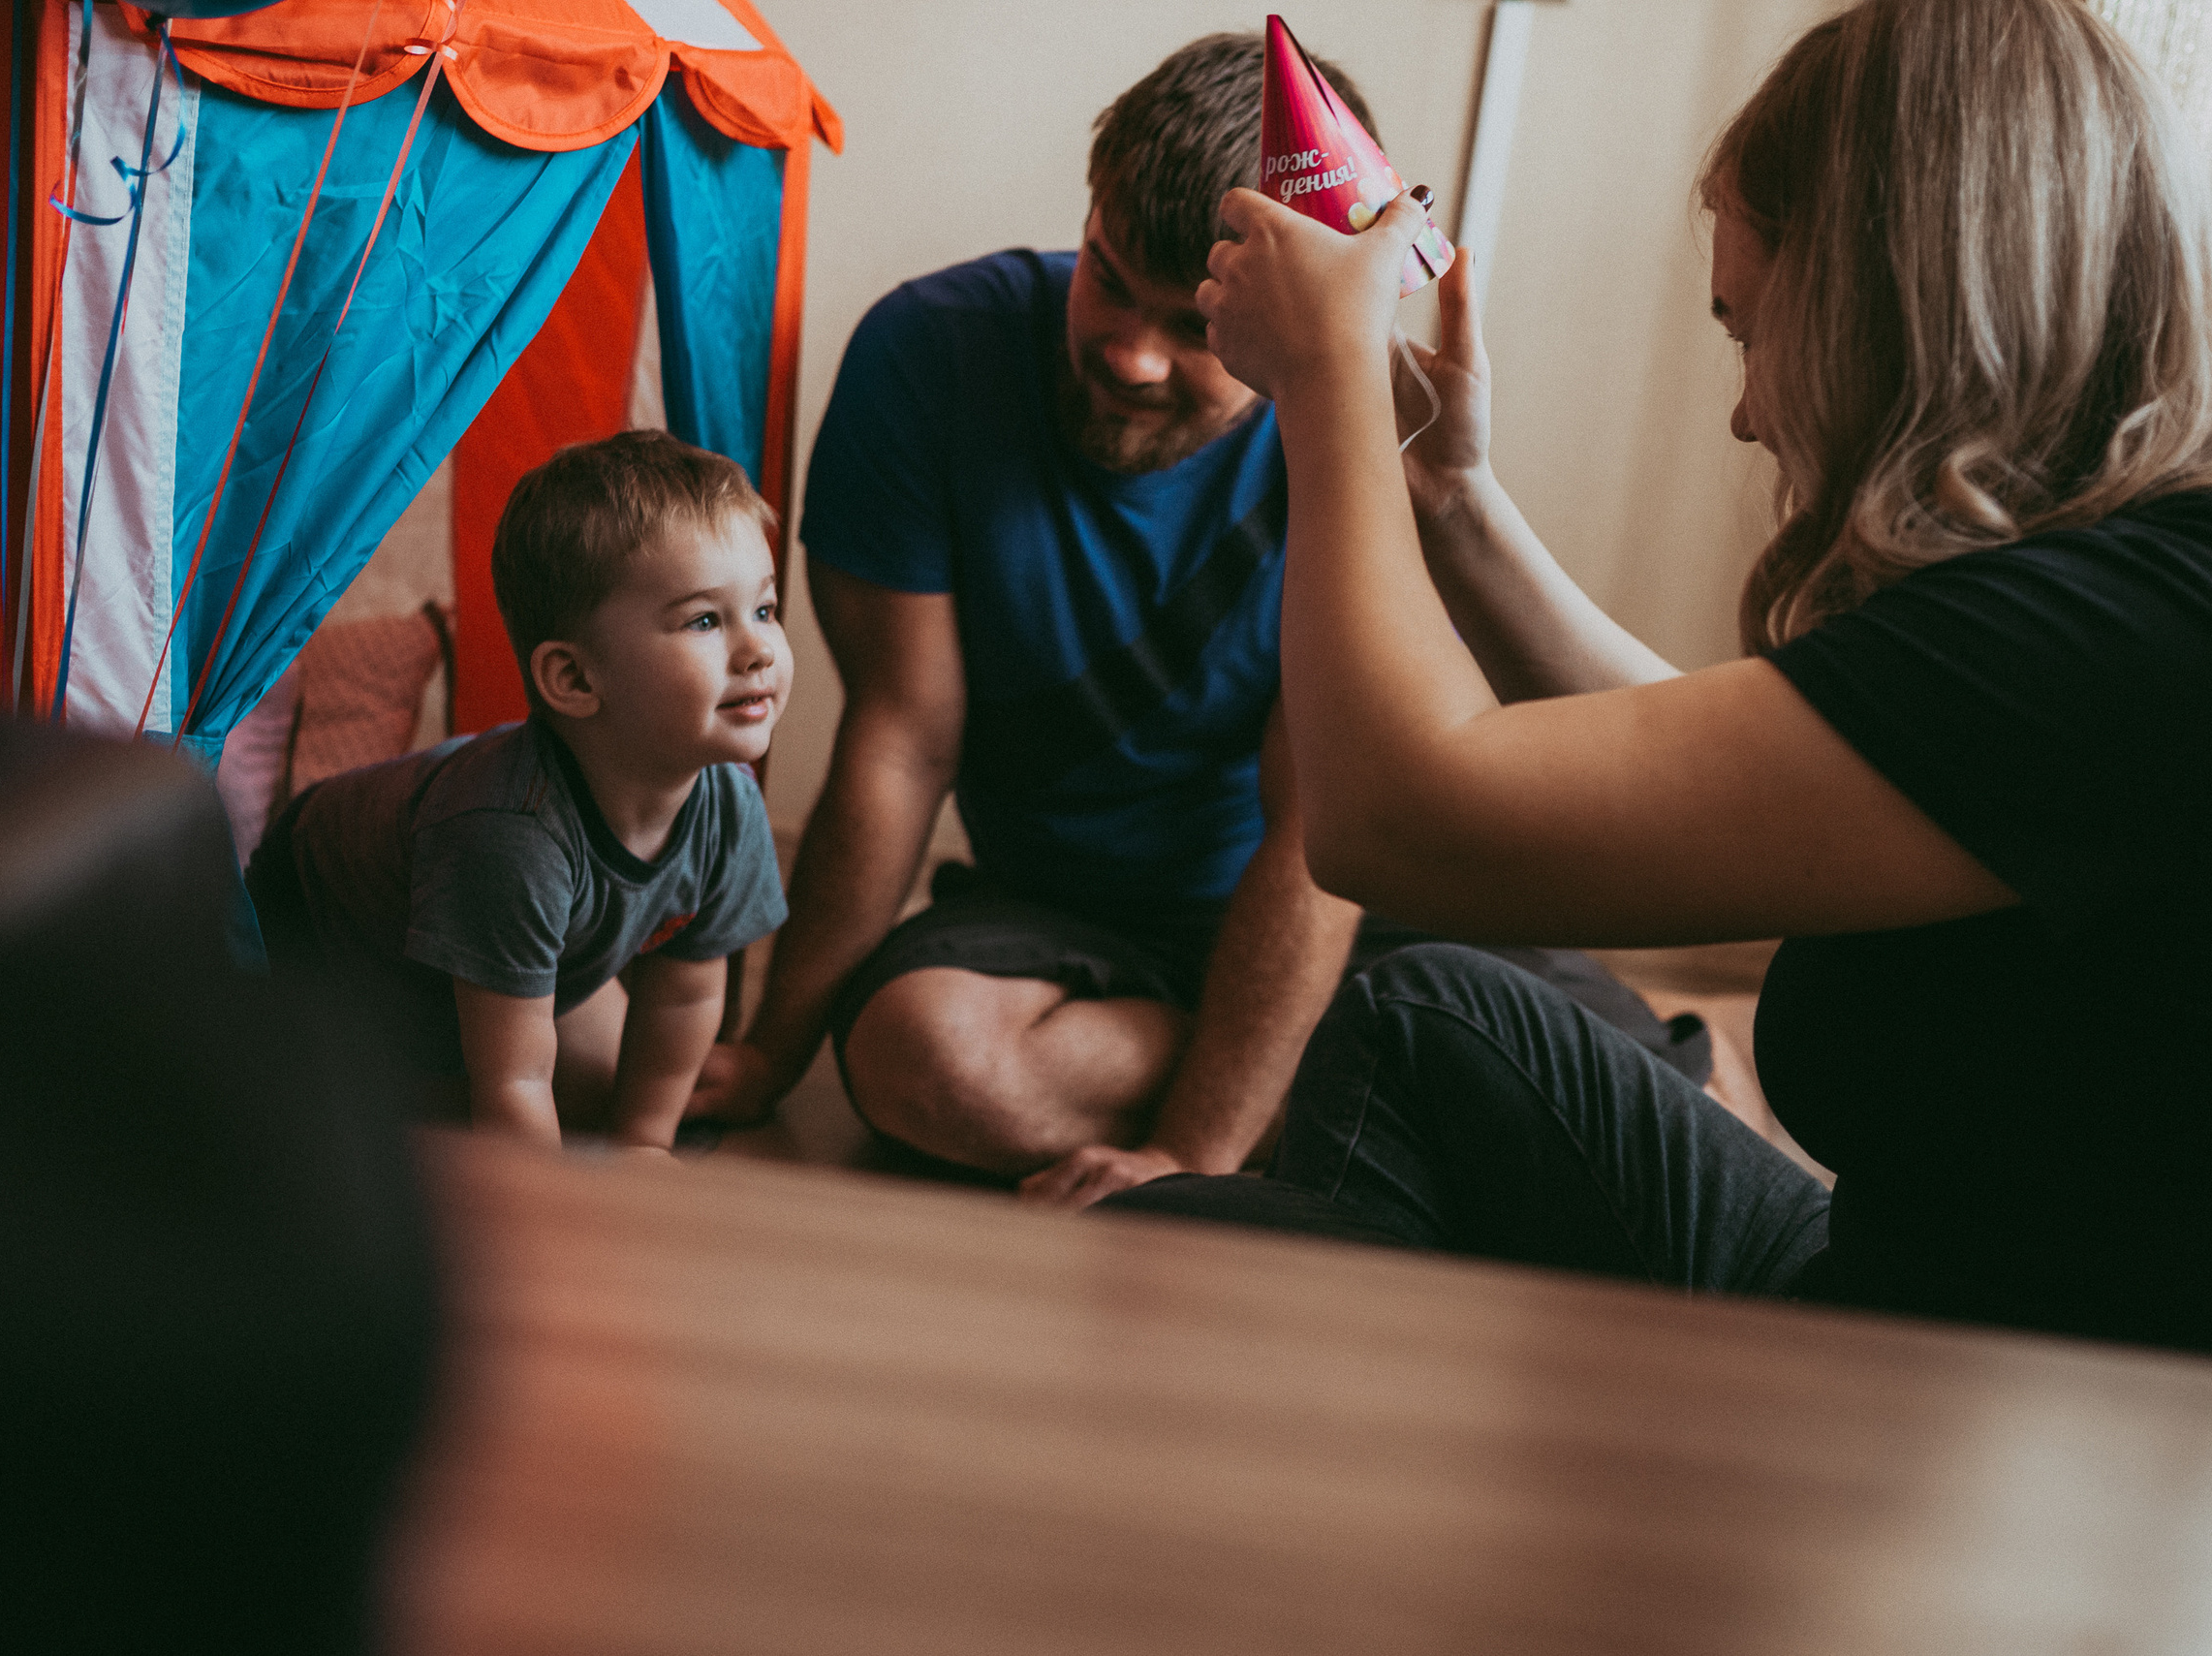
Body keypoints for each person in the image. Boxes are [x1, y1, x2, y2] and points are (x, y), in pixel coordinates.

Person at [1109, 0, 2212, 1352]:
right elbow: (1736, 762)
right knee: (1425, 1006)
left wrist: (1328, 379)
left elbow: (1389, 819)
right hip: (1869, 1281)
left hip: (1956, 1409)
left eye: (1746, 333)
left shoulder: (2120, 641)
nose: (1747, 410)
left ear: (1886, 299)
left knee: (1167, 1245)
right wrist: (1451, 496)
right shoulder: (2113, 577)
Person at [693, 31, 1705, 1206]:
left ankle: (1325, 1075)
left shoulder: (1355, 433)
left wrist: (1191, 1152)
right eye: (1107, 275)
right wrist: (773, 1046)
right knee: (920, 1059)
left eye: (1194, 324)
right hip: (1065, 918)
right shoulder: (928, 352)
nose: (1127, 353)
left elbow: (1316, 829)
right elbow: (900, 736)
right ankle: (1382, 1099)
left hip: (1339, 906)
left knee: (1672, 1124)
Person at [247, 431, 790, 1151]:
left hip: (483, 929)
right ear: (573, 679)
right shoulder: (510, 835)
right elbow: (513, 1083)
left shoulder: (729, 800)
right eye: (703, 620)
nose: (757, 650)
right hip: (314, 949)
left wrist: (644, 1147)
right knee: (408, 1150)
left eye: (764, 609)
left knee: (598, 1101)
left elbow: (686, 994)